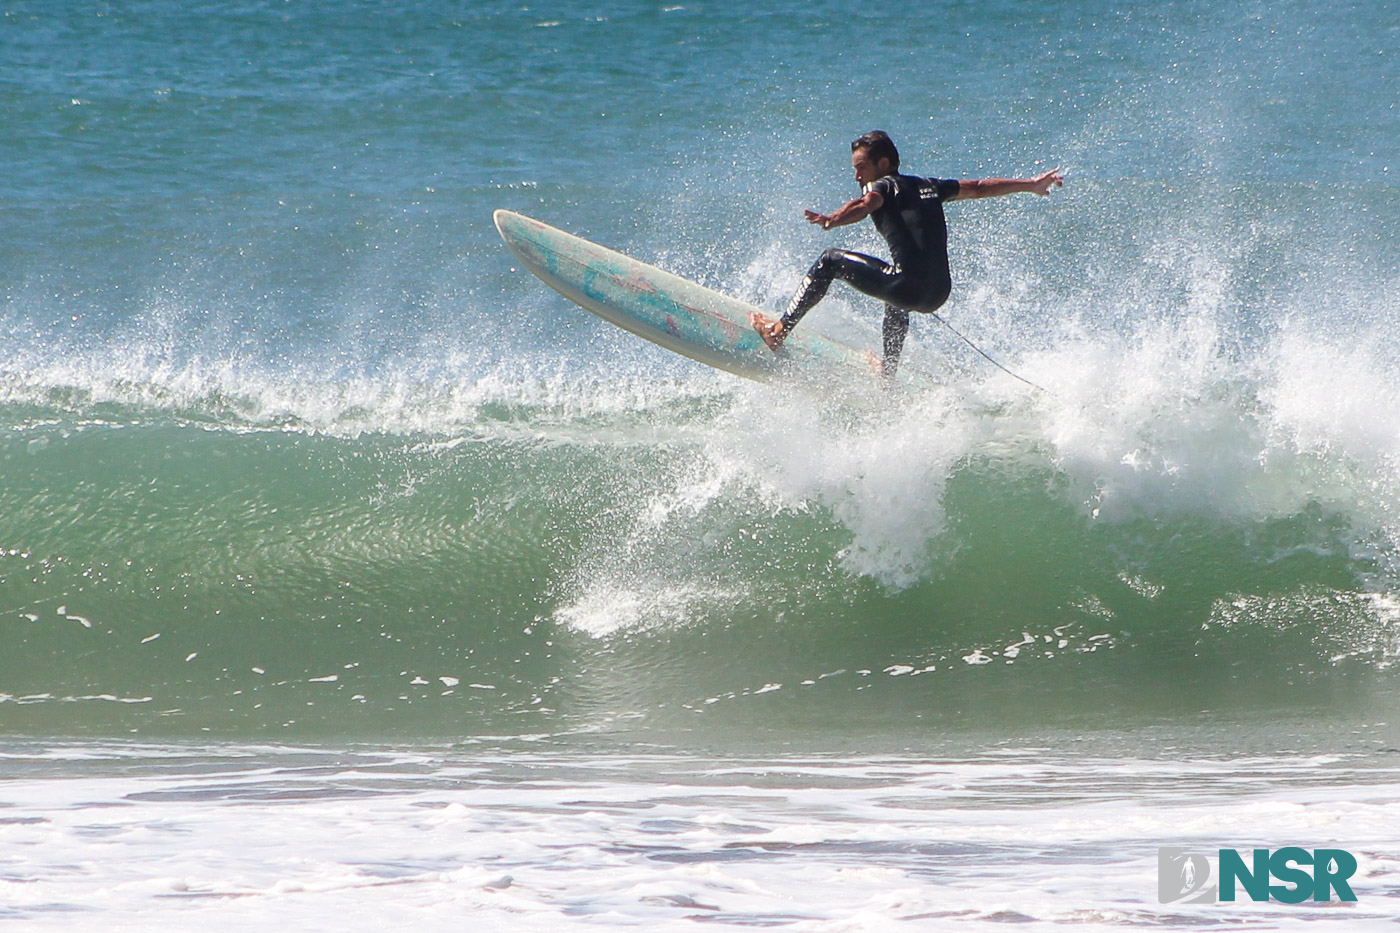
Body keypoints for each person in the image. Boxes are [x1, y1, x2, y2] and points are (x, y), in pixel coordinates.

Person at [749, 131, 1064, 379]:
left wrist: (833, 218)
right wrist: (1031, 184)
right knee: (895, 296)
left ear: (883, 164)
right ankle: (887, 375)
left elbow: (866, 204)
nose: (857, 175)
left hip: (907, 287)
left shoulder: (881, 187)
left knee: (830, 260)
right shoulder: (930, 185)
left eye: (861, 167)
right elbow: (980, 186)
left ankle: (779, 331)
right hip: (938, 294)